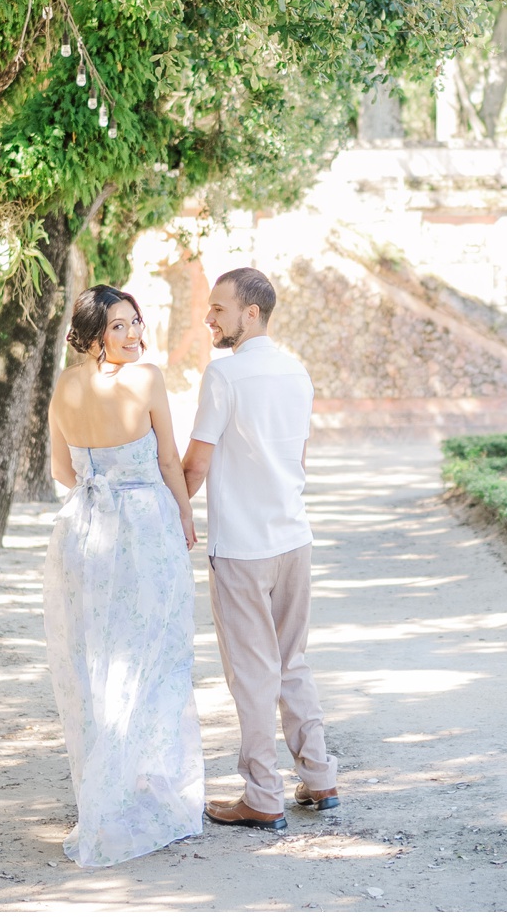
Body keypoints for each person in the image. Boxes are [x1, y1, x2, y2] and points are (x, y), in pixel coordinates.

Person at [42, 284, 204, 867]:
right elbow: (167, 460)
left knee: (97, 661)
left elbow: (64, 470)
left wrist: (98, 485)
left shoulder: (63, 386)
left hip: (84, 534)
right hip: (144, 530)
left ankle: (102, 794)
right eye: (118, 327)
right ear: (91, 336)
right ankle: (140, 789)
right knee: (154, 655)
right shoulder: (148, 380)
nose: (134, 334)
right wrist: (185, 514)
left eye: (135, 323)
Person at [182, 267, 339, 831]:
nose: (209, 318)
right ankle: (319, 777)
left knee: (252, 673)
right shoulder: (297, 372)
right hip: (294, 539)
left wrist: (171, 508)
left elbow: (196, 463)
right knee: (292, 662)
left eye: (219, 309)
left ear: (251, 313)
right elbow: (299, 459)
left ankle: (263, 795)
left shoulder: (223, 377)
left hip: (243, 547)